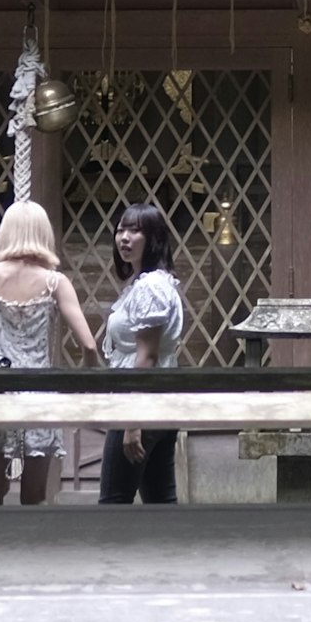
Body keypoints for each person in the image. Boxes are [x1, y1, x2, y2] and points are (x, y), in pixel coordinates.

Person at [0, 199, 97, 506]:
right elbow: (89, 344)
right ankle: (30, 552)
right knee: (34, 499)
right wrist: (83, 385)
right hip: (39, 397)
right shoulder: (56, 282)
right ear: (43, 234)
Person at [97, 203, 187, 506]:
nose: (124, 237)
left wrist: (132, 423)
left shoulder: (150, 287)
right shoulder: (146, 284)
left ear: (153, 238)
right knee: (161, 500)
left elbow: (146, 357)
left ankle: (111, 554)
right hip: (160, 404)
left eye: (135, 230)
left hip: (140, 406)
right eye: (121, 229)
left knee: (114, 499)